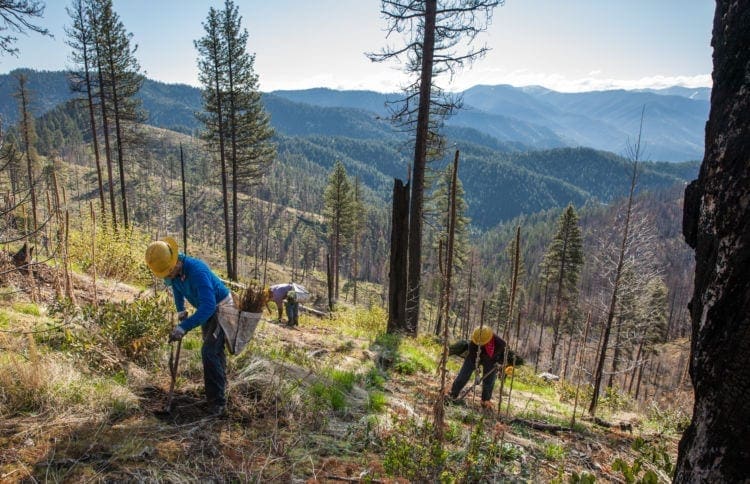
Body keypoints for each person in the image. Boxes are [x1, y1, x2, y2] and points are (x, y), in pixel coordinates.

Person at [145, 237, 232, 416]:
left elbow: (208, 306)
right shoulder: (174, 274)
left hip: (221, 308)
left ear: (175, 261)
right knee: (213, 350)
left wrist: (184, 327)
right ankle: (220, 386)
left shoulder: (197, 270)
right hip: (206, 308)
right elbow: (177, 288)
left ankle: (218, 404)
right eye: (166, 275)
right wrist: (181, 311)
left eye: (169, 272)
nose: (168, 277)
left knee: (209, 351)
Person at [448, 326, 508, 409]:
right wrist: (477, 373)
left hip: (491, 360)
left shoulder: (500, 343)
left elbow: (503, 353)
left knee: (489, 381)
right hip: (475, 357)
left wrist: (499, 362)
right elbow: (472, 358)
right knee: (463, 375)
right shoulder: (473, 343)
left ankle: (485, 401)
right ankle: (453, 394)